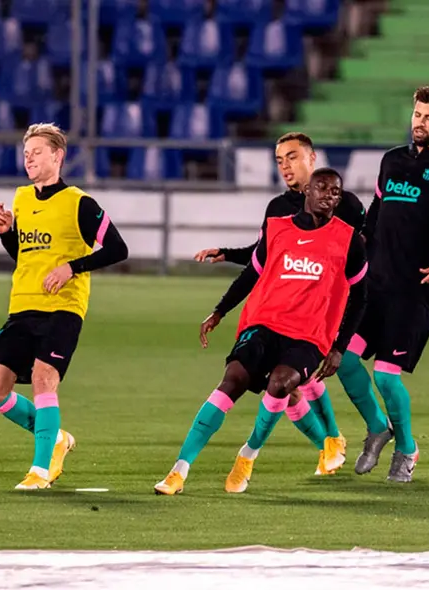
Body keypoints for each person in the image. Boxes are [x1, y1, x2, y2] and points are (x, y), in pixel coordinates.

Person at [154, 168, 368, 495]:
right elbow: (252, 274)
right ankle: (179, 470)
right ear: (307, 191)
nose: (329, 195)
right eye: (323, 188)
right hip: (264, 322)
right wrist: (220, 310)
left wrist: (339, 347)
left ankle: (248, 454)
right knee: (233, 379)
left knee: (282, 384)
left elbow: (360, 296)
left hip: (309, 335)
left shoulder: (349, 240)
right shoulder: (277, 229)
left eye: (336, 192)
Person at [192, 132, 374, 474]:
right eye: (279, 160)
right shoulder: (277, 209)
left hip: (326, 307)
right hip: (285, 309)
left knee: (298, 378)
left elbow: (358, 255)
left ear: (311, 158)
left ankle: (333, 439)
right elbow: (266, 257)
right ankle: (329, 443)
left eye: (291, 157)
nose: (285, 166)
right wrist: (229, 254)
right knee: (288, 386)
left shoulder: (344, 203)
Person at [338, 85, 429, 483]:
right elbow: (374, 216)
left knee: (387, 376)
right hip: (373, 288)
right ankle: (377, 427)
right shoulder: (390, 162)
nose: (420, 123)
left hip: (412, 291)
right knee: (345, 361)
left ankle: (406, 449)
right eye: (417, 115)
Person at [0, 123, 129, 490]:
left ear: (57, 156)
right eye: (26, 152)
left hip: (63, 308)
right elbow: (25, 257)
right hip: (22, 306)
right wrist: (6, 235)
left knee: (42, 378)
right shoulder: (21, 198)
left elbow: (117, 249)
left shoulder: (79, 203)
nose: (28, 158)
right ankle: (57, 439)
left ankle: (41, 469)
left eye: (36, 152)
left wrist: (72, 267)